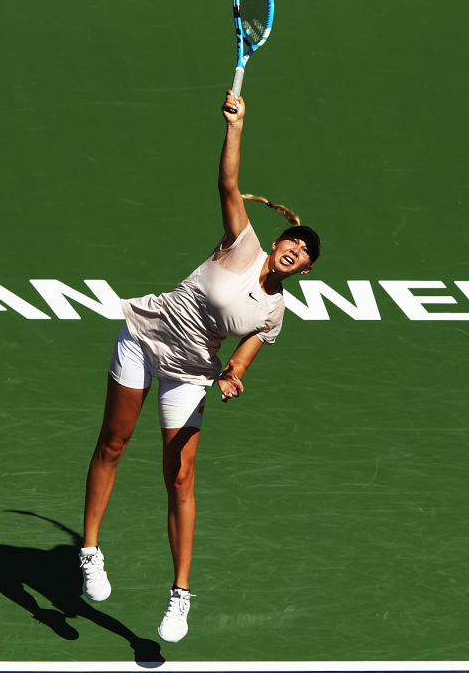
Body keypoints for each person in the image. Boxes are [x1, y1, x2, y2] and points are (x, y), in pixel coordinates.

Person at [79, 90, 322, 643]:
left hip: (189, 372)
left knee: (181, 477)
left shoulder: (274, 313)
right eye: (291, 241)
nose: (294, 249)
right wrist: (235, 126)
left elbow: (240, 363)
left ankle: (180, 595)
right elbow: (228, 185)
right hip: (144, 335)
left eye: (304, 253)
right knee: (113, 443)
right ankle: (89, 550)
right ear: (277, 242)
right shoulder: (243, 245)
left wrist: (233, 378)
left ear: (304, 270)